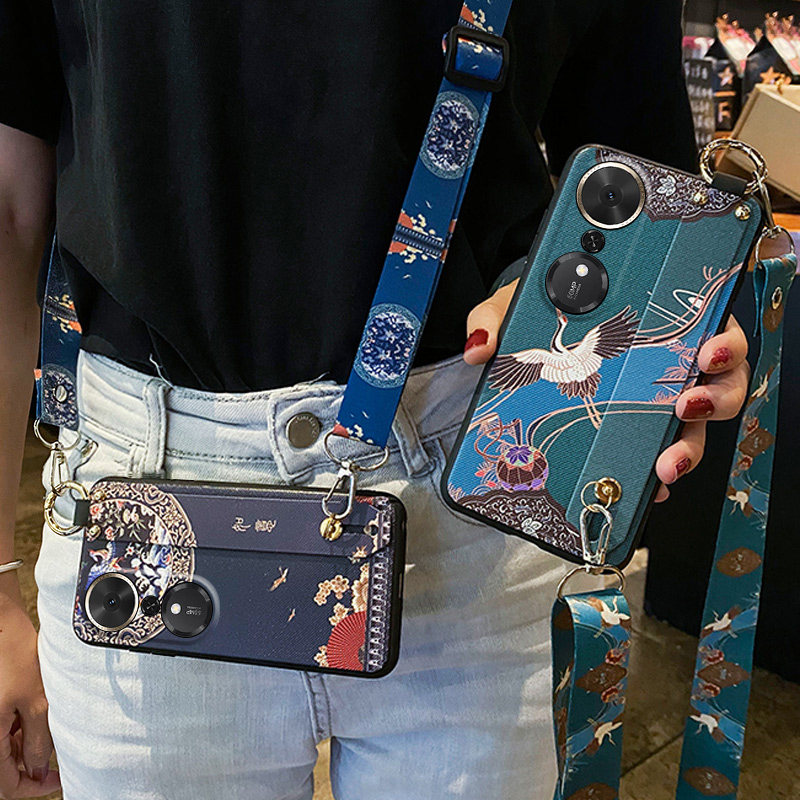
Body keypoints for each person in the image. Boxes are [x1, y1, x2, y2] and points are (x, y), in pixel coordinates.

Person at [0, 1, 752, 798]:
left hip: (478, 490)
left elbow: (641, 171)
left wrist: (662, 337)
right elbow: (10, 207)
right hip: (143, 509)